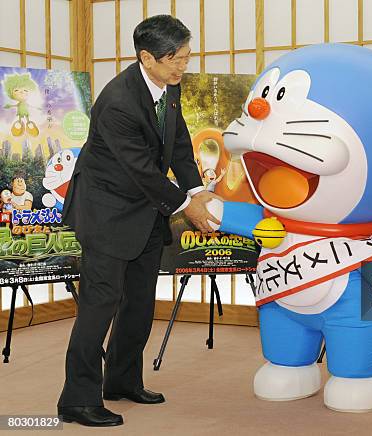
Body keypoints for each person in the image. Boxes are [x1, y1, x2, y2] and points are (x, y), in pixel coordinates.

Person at [57, 15, 219, 427]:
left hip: (145, 211)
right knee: (99, 306)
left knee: (139, 303)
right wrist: (188, 205)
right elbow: (142, 170)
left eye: (185, 57)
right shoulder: (117, 102)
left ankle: (122, 380)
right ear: (146, 57)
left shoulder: (168, 86)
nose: (182, 66)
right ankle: (76, 399)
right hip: (107, 212)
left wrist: (198, 188)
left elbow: (178, 142)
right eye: (174, 60)